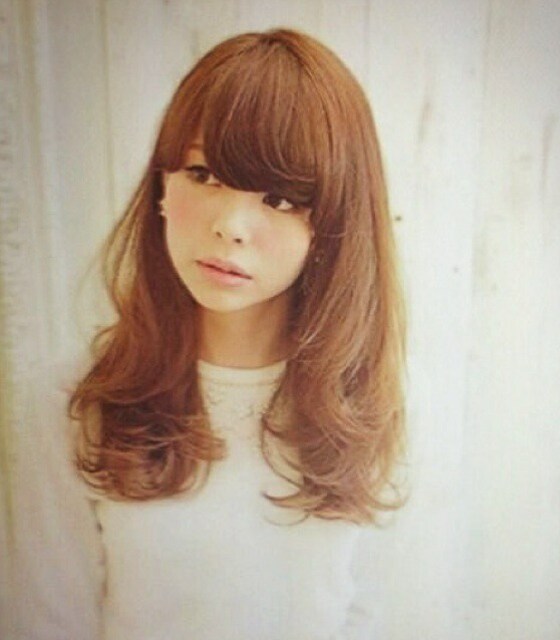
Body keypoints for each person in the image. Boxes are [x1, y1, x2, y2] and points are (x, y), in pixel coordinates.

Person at [10, 27, 407, 640]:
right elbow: (48, 622)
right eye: (203, 173)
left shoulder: (375, 410)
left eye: (279, 198)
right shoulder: (74, 401)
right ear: (162, 186)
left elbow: (375, 617)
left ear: (333, 223)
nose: (230, 225)